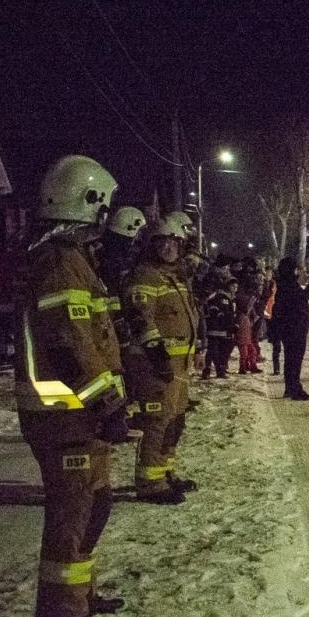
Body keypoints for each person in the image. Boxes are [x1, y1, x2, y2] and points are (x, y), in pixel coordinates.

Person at [14, 155, 129, 617]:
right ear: (88, 202)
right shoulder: (61, 263)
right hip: (67, 415)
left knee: (93, 503)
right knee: (72, 511)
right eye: (102, 205)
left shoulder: (69, 259)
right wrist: (106, 401)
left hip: (79, 414)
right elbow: (72, 341)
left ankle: (79, 594)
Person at [122, 212, 200, 505]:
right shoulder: (145, 275)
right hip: (153, 365)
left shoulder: (174, 277)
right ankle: (149, 482)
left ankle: (164, 471)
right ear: (151, 245)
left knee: (174, 420)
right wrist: (157, 355)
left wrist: (196, 349)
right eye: (162, 243)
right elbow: (140, 317)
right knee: (157, 420)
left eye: (174, 242)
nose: (169, 248)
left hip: (178, 365)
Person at [274, 257, 309, 399]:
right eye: (296, 269)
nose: (298, 272)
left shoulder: (285, 284)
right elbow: (299, 300)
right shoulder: (288, 285)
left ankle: (290, 388)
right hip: (294, 328)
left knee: (291, 359)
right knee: (294, 359)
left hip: (292, 327)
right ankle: (294, 389)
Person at [202, 277, 237, 379]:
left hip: (220, 329)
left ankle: (216, 370)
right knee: (215, 351)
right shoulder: (221, 297)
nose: (235, 288)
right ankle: (213, 370)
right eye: (233, 286)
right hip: (217, 329)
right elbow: (224, 313)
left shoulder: (229, 297)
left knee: (217, 351)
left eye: (236, 287)